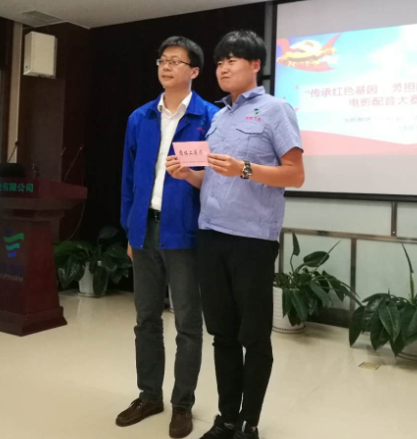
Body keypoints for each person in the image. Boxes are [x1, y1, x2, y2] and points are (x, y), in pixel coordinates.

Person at [166, 30, 305, 439]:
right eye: (220, 62)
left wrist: (245, 168)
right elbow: (214, 179)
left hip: (252, 240)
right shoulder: (219, 117)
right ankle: (227, 418)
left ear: (255, 65)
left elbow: (295, 174)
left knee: (253, 335)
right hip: (211, 235)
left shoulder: (276, 110)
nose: (224, 68)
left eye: (233, 60)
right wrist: (190, 175)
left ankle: (249, 423)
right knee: (222, 333)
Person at [117, 36, 219, 439]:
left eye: (177, 61)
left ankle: (182, 404)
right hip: (145, 228)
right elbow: (128, 179)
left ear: (194, 71)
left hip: (186, 231)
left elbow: (219, 180)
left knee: (188, 323)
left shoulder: (210, 117)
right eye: (163, 60)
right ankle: (149, 396)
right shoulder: (140, 117)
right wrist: (131, 229)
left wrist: (193, 177)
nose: (167, 66)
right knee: (145, 319)